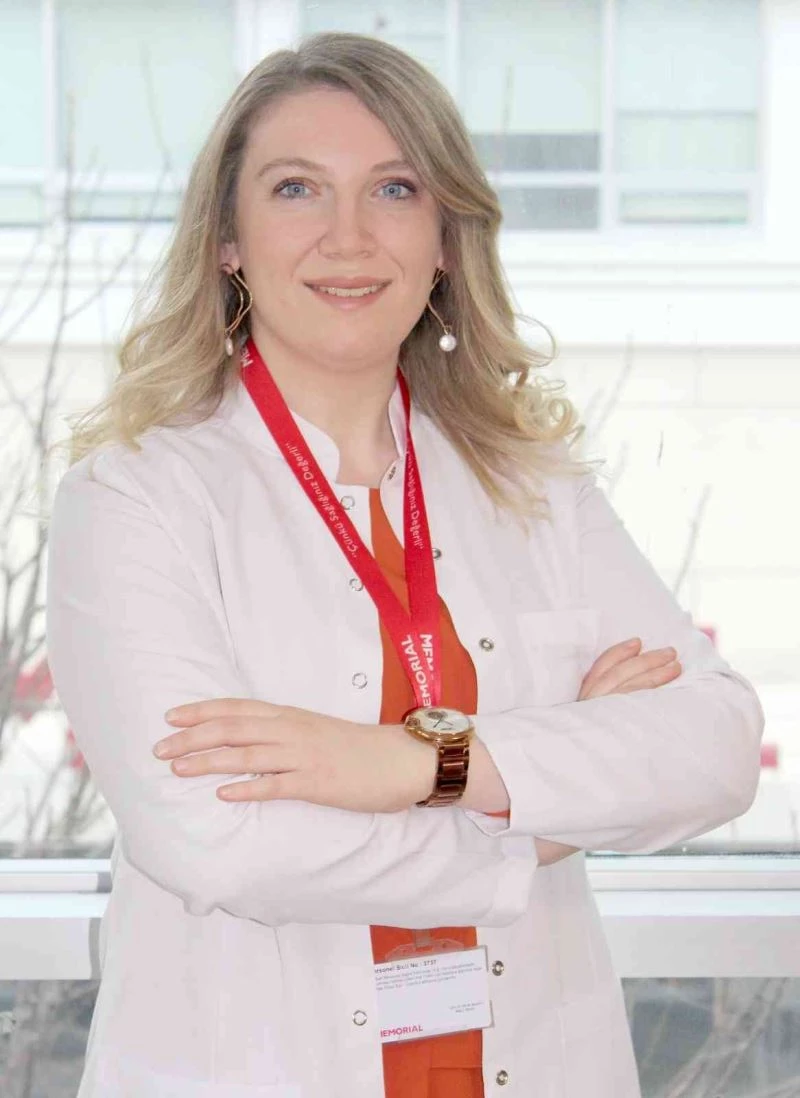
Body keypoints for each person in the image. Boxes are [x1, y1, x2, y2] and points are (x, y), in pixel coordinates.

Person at [44, 31, 764, 1098]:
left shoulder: (530, 482)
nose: (347, 237)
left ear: (444, 241)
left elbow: (715, 743)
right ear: (227, 240)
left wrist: (410, 764)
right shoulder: (133, 500)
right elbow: (217, 842)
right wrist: (542, 817)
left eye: (393, 189)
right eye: (296, 188)